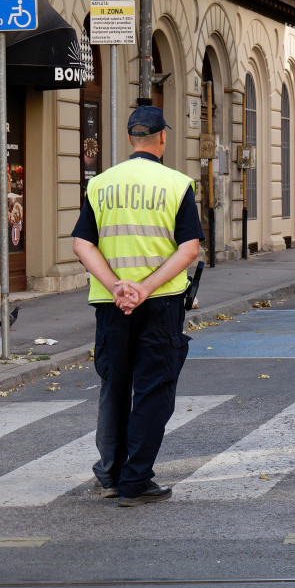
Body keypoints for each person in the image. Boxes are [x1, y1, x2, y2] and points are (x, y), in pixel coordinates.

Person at [72, 100, 203, 506]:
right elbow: (189, 249)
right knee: (152, 388)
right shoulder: (177, 184)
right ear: (163, 138)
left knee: (114, 386)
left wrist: (116, 286)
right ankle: (135, 481)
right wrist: (144, 289)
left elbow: (82, 244)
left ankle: (110, 475)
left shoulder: (100, 184)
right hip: (160, 303)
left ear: (131, 139)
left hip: (111, 304)